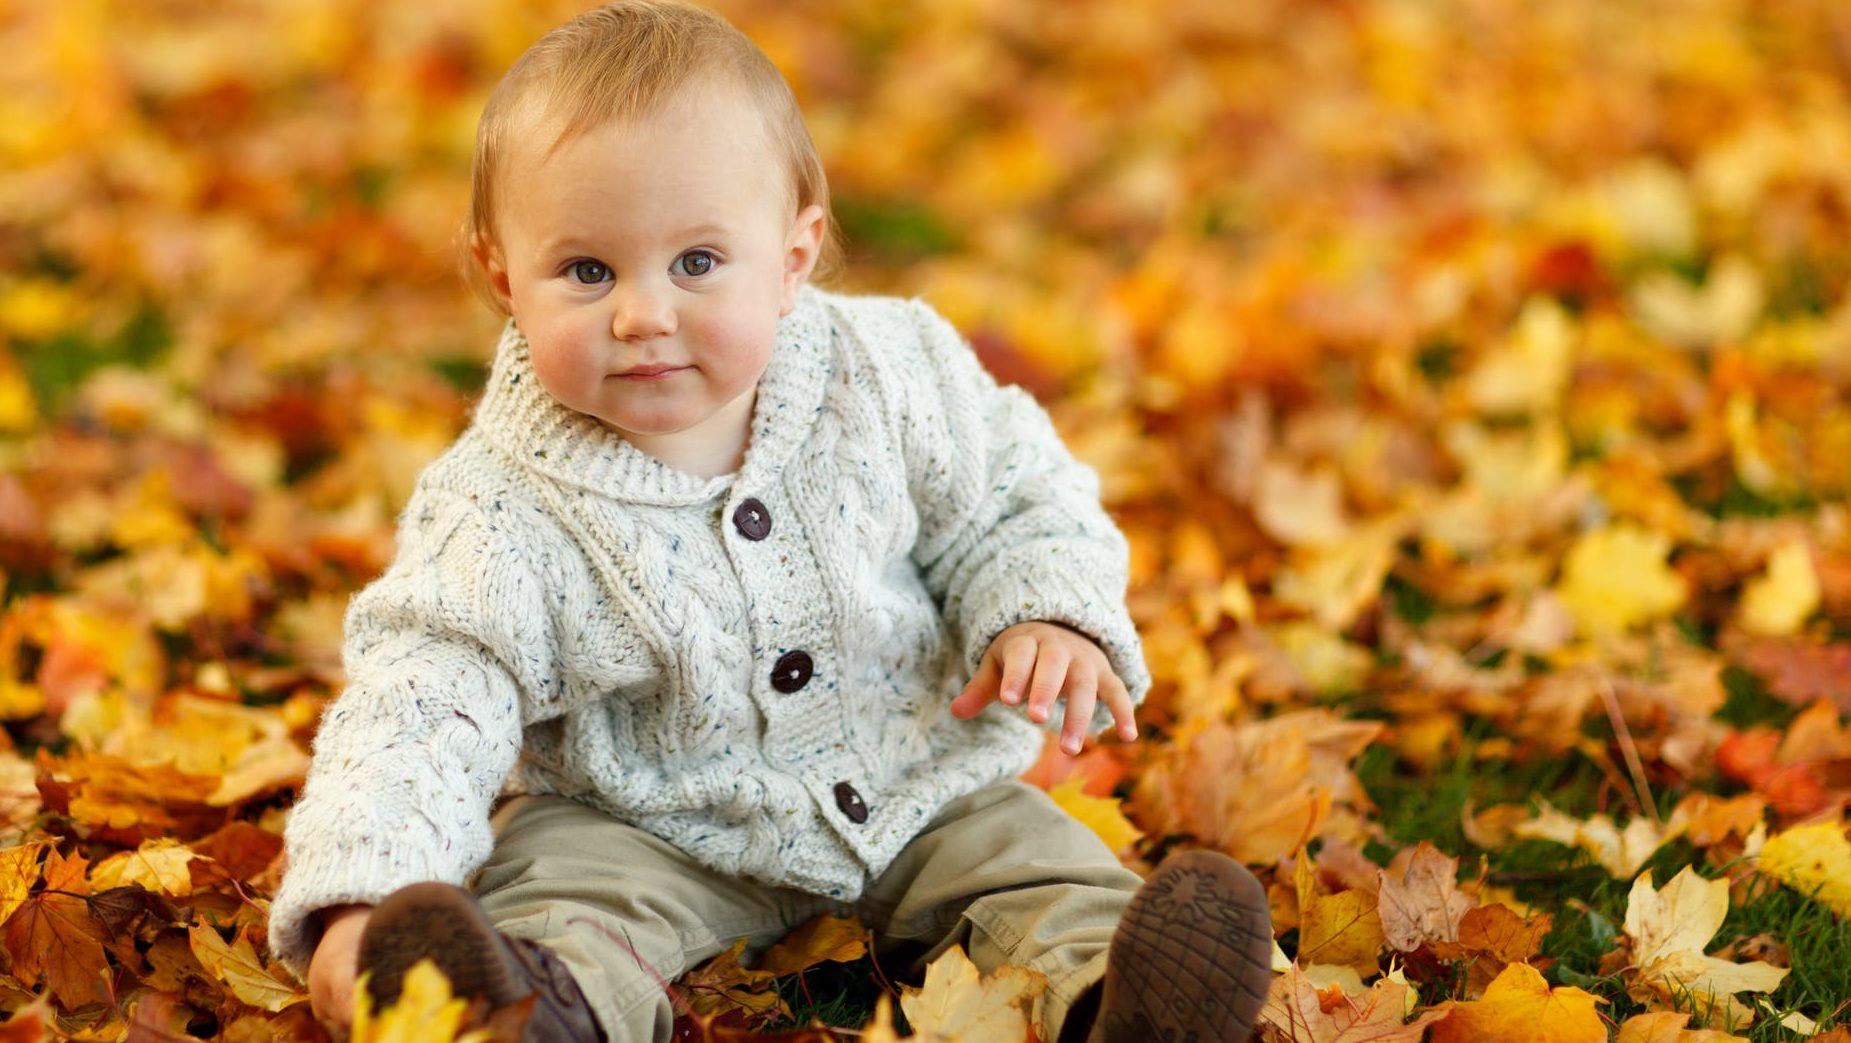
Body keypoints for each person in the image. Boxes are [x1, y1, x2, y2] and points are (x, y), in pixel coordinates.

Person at [267, 2, 1274, 1041]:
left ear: (794, 254)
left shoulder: (890, 372)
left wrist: (1044, 610)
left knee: (1040, 870)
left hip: (915, 777)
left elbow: (1014, 493)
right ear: (501, 276)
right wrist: (360, 897)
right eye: (586, 270)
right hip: (645, 820)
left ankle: (1127, 1001)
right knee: (563, 902)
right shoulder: (498, 504)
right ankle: (523, 1010)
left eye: (697, 262)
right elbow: (424, 699)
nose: (643, 314)